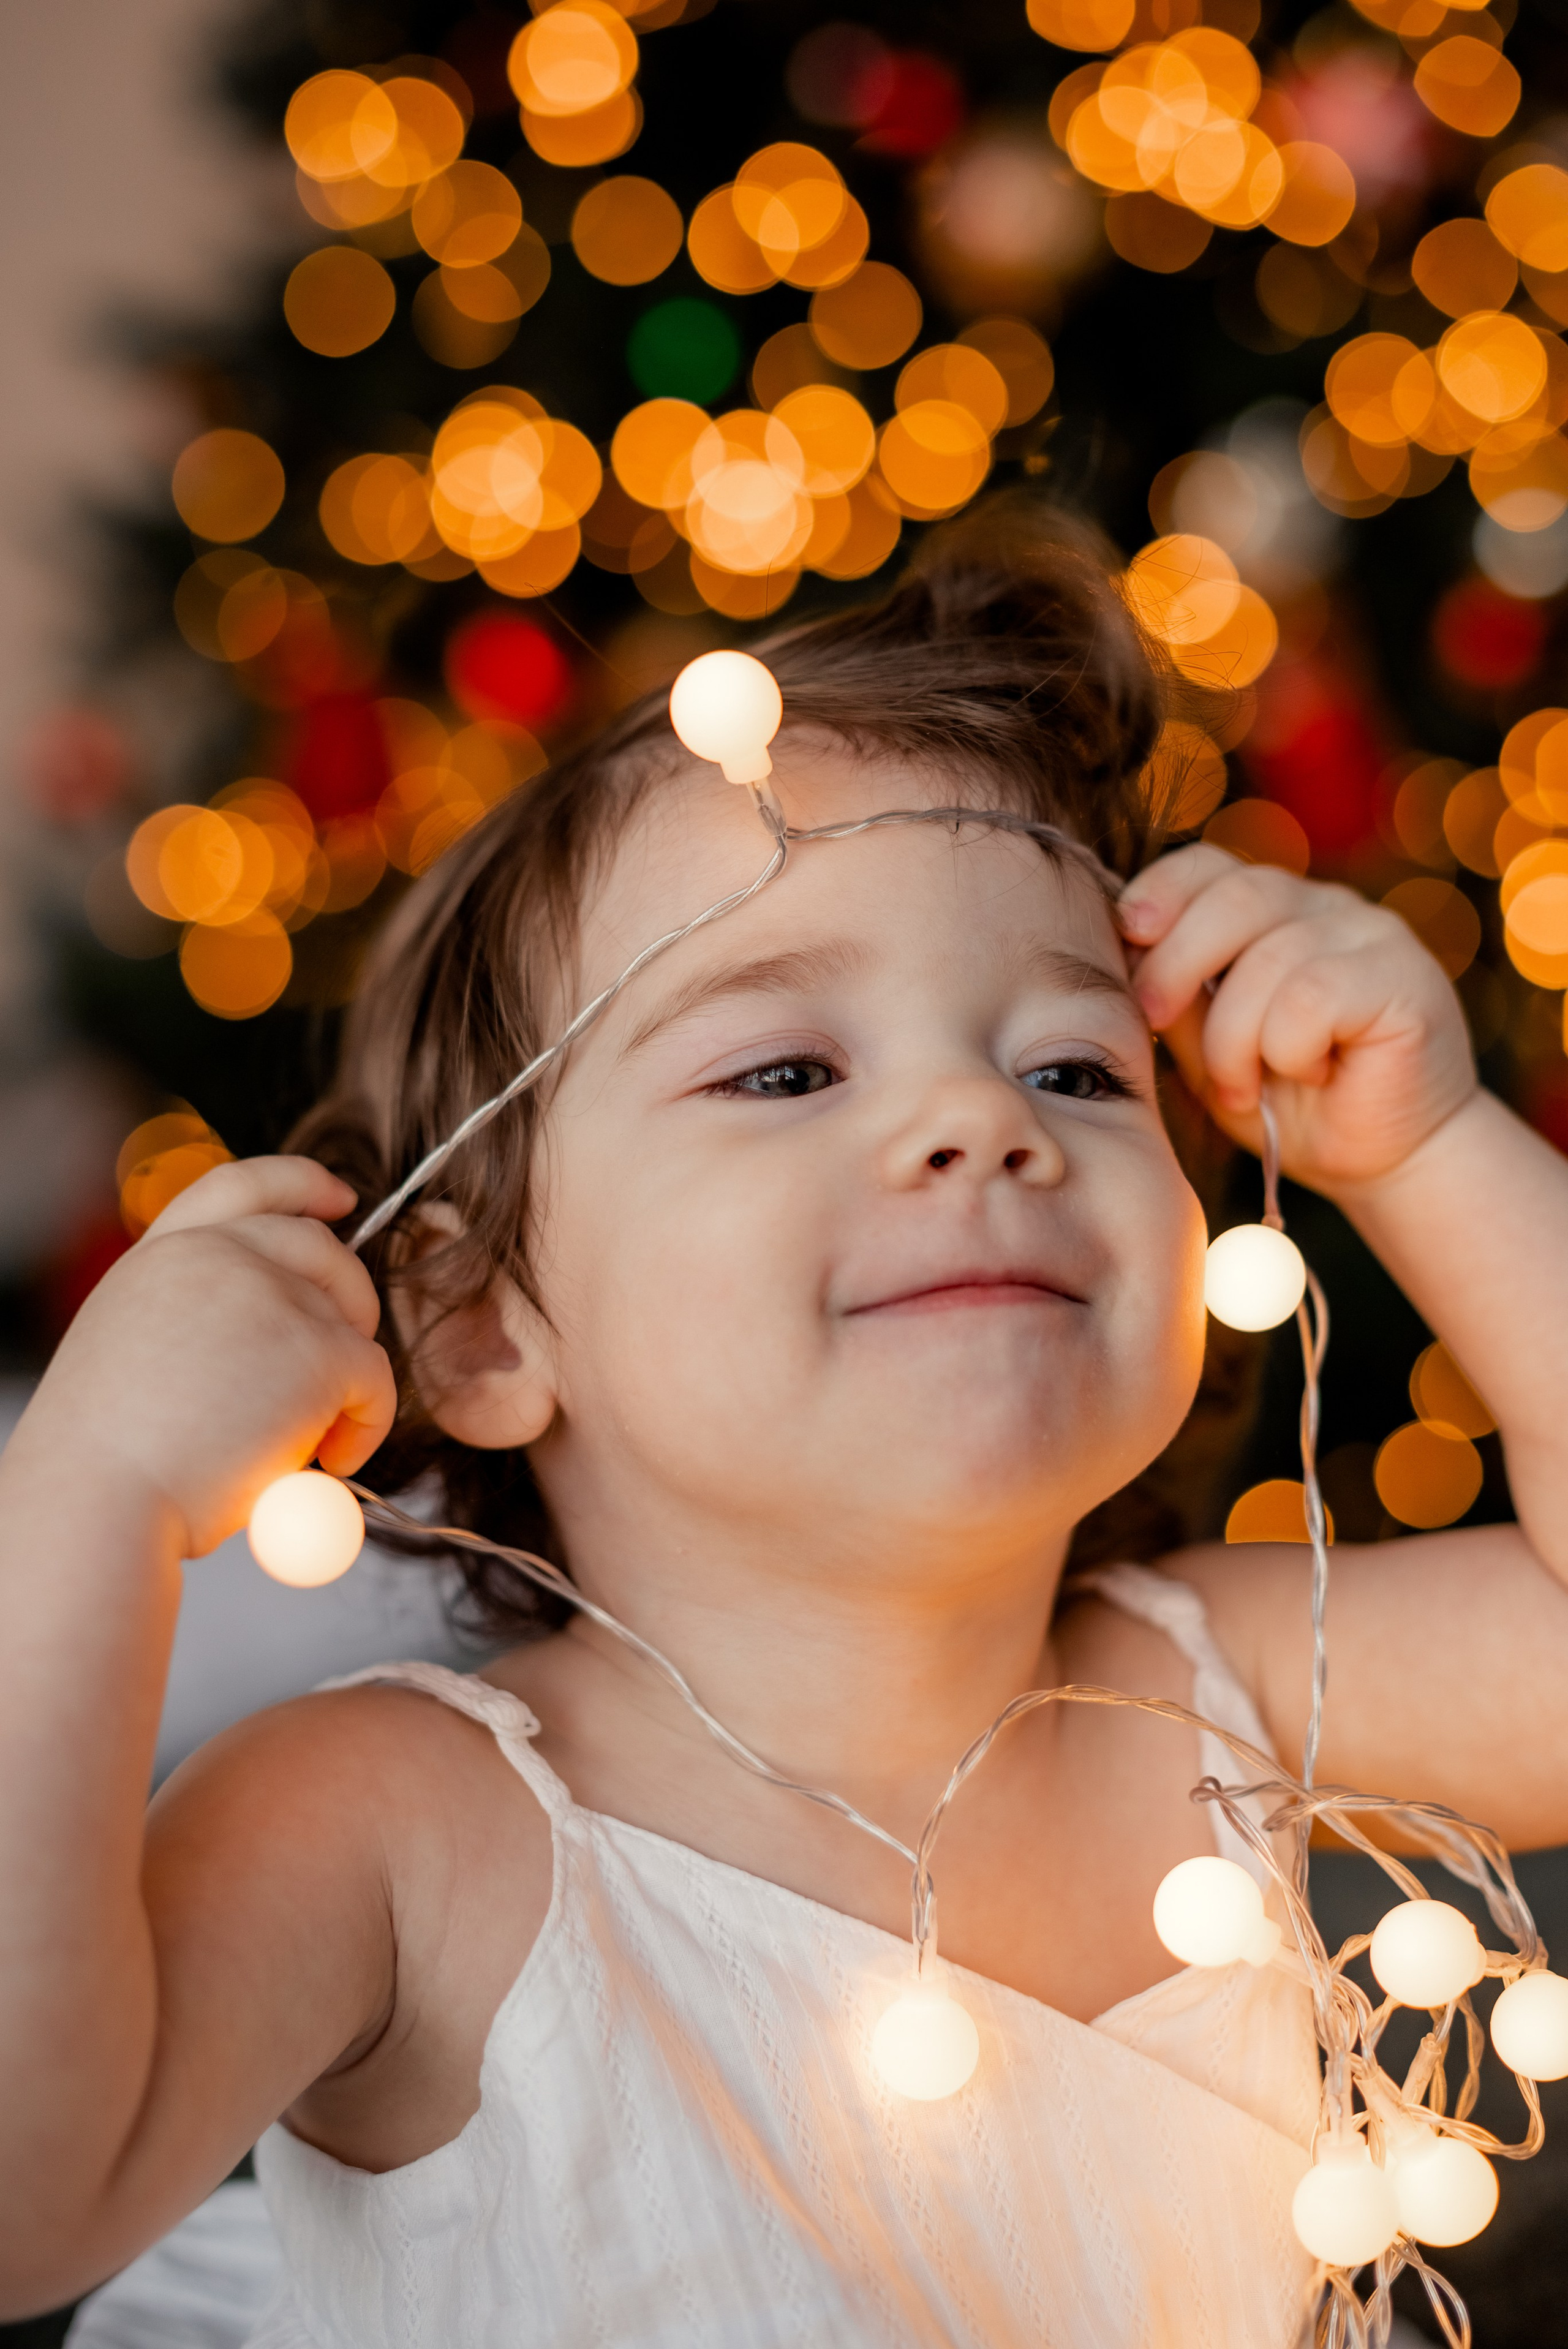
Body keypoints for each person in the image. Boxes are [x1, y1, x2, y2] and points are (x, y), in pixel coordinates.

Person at [5, 499, 1568, 2349]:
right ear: (483, 1323)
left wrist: (1432, 1148)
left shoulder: (1220, 1688)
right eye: (788, 1068)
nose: (980, 1123)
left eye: (1072, 1065)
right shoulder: (402, 1822)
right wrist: (88, 1488)